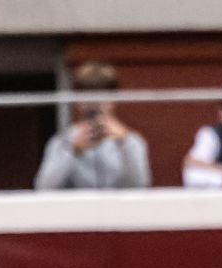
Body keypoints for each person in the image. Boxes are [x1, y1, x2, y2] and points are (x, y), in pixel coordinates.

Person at [35, 62, 150, 190]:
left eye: (101, 98)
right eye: (88, 98)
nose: (94, 104)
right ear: (78, 101)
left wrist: (124, 144)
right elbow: (44, 188)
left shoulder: (131, 141)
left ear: (113, 100)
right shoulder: (62, 141)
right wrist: (72, 151)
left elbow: (140, 186)